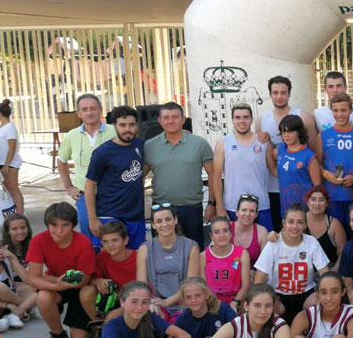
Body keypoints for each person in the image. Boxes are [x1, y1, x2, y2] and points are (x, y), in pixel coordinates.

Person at [27, 202, 98, 338]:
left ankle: (97, 328)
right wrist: (57, 286)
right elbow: (33, 278)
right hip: (59, 284)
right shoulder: (38, 240)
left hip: (79, 288)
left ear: (73, 225)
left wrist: (51, 280)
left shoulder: (83, 242)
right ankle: (59, 337)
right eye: (54, 225)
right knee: (43, 296)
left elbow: (84, 280)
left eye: (65, 225)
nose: (59, 231)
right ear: (47, 224)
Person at [143, 103, 214, 248]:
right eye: (166, 118)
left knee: (194, 250)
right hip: (161, 209)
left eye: (175, 117)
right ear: (160, 121)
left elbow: (213, 175)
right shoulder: (149, 146)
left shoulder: (199, 144)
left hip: (191, 209)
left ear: (183, 119)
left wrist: (212, 204)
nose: (171, 121)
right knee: (162, 252)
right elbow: (139, 176)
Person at [254, 204, 329, 323]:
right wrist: (266, 299)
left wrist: (325, 295)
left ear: (305, 225)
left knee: (327, 300)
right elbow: (259, 280)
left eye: (300, 222)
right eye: (290, 222)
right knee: (262, 305)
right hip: (278, 296)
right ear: (284, 223)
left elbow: (326, 275)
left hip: (306, 295)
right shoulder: (273, 244)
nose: (295, 226)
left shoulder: (311, 242)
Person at [84, 105, 146, 249]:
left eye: (131, 125)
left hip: (135, 216)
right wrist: (92, 218)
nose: (127, 129)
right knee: (109, 258)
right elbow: (89, 186)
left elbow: (144, 167)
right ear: (115, 126)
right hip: (109, 215)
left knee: (136, 257)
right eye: (122, 125)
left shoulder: (140, 146)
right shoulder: (102, 153)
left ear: (137, 125)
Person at [260, 75, 316, 229]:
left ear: (289, 93)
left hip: (300, 186)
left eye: (283, 92)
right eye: (275, 92)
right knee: (282, 229)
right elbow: (266, 152)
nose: (279, 96)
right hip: (274, 186)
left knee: (303, 229)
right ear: (270, 94)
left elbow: (313, 151)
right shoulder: (262, 121)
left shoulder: (304, 117)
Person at [57, 93, 114, 241]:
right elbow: (61, 161)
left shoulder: (114, 132)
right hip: (84, 196)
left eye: (93, 108)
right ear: (78, 113)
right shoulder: (72, 135)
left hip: (112, 195)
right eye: (84, 109)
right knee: (89, 238)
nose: (89, 113)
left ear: (100, 110)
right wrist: (69, 187)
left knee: (113, 237)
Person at [211, 103, 272, 231]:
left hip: (260, 206)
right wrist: (219, 206)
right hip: (232, 206)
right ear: (232, 120)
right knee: (235, 243)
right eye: (237, 117)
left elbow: (275, 169)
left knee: (264, 242)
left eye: (245, 117)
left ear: (251, 119)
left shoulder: (263, 142)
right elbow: (216, 177)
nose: (242, 121)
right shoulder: (223, 143)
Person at [136, 205, 199, 320]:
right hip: (156, 304)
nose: (164, 224)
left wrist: (166, 302)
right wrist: (150, 303)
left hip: (185, 304)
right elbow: (141, 286)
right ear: (153, 225)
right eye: (159, 221)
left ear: (175, 220)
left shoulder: (191, 247)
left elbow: (190, 285)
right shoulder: (144, 249)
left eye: (168, 219)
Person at [81, 220, 139, 338]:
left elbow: (146, 290)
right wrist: (98, 281)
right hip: (112, 300)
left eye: (114, 240)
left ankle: (123, 330)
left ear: (125, 240)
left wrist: (123, 309)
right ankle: (101, 330)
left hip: (135, 302)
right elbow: (90, 279)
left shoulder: (138, 257)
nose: (110, 245)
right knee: (86, 291)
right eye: (105, 241)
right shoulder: (102, 257)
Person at [318, 93, 353, 234]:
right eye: (336, 110)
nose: (339, 114)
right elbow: (316, 164)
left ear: (351, 110)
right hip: (333, 196)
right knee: (336, 234)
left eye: (343, 110)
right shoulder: (323, 135)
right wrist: (325, 173)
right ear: (331, 111)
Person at [269, 114, 322, 215]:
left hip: (304, 208)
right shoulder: (280, 150)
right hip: (285, 207)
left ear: (299, 132)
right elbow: (277, 169)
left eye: (290, 131)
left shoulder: (309, 156)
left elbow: (317, 187)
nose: (286, 135)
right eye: (284, 132)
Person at [201, 216, 250, 311]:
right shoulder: (203, 256)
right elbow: (204, 286)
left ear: (231, 233)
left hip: (236, 300)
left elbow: (246, 285)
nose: (222, 235)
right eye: (216, 232)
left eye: (225, 231)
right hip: (211, 301)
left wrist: (235, 302)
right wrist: (214, 303)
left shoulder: (242, 254)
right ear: (211, 236)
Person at [0, 99, 24, 214]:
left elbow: (11, 148)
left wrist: (7, 165)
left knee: (13, 189)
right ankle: (13, 212)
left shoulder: (10, 127)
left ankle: (20, 214)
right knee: (7, 189)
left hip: (10, 164)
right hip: (1, 162)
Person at [310, 70, 353, 136]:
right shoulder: (316, 115)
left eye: (339, 86)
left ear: (345, 87)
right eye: (331, 86)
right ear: (325, 89)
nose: (335, 90)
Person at [306, 185, 347, 270]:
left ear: (327, 203)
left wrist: (333, 272)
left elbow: (342, 253)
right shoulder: (299, 220)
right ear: (307, 202)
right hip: (303, 271)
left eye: (321, 200)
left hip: (329, 270)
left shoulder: (334, 224)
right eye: (313, 199)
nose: (317, 204)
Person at [230, 195, 269, 265]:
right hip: (226, 270)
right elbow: (212, 256)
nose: (247, 214)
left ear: (256, 214)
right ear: (237, 212)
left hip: (253, 271)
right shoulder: (226, 228)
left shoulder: (262, 232)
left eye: (252, 211)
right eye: (244, 210)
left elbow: (266, 262)